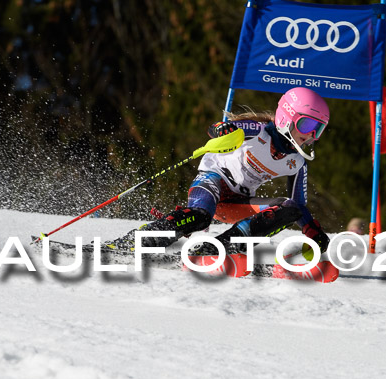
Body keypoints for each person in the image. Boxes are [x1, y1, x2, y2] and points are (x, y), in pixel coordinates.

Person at [106, 87, 331, 256]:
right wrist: (222, 129)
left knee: (288, 209)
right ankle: (140, 239)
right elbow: (217, 128)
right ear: (286, 117)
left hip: (237, 202)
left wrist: (313, 231)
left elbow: (298, 205)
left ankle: (216, 248)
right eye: (307, 126)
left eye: (318, 129)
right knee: (200, 217)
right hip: (212, 181)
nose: (311, 135)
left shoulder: (296, 162)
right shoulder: (258, 130)